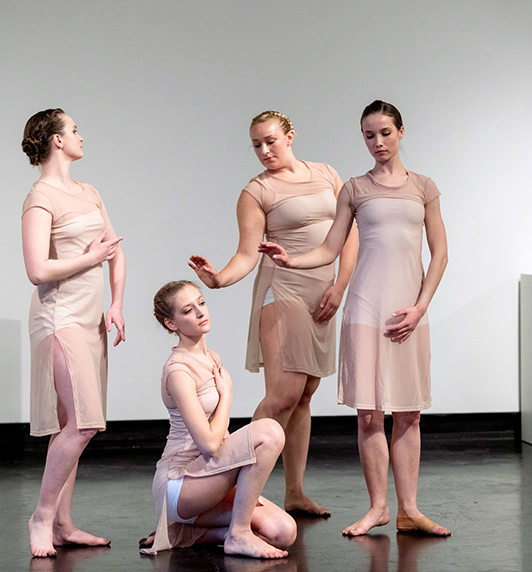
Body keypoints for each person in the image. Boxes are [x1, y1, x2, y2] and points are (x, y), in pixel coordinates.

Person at [259, 100, 450, 537]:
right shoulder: (353, 188)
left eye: (385, 133)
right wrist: (289, 260)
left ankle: (410, 510)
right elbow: (329, 249)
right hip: (366, 308)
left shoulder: (424, 187)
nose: (377, 142)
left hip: (409, 311)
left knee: (409, 414)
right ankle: (379, 507)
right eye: (369, 135)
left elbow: (439, 253)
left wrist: (420, 307)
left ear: (401, 132)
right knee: (369, 415)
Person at [189, 111, 358, 517]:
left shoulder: (326, 174)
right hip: (282, 290)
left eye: (270, 141)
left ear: (290, 136)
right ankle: (237, 492)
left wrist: (340, 287)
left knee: (304, 396)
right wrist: (218, 279)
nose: (264, 151)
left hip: (323, 292)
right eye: (256, 145)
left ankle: (295, 492)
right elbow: (248, 254)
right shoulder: (256, 192)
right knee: (282, 396)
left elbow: (348, 235)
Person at [20, 108, 126, 557]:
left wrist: (116, 302)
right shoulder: (40, 197)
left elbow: (115, 250)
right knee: (83, 423)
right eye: (75, 129)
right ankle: (42, 516)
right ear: (57, 141)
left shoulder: (89, 191)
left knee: (73, 423)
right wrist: (91, 258)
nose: (82, 135)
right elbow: (37, 269)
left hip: (90, 318)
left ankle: (63, 523)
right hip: (59, 316)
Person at [142, 280, 296, 558]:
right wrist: (227, 395)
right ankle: (238, 534)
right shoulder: (179, 371)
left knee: (283, 532)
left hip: (212, 475)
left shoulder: (212, 357)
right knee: (270, 431)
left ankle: (184, 534)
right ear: (171, 324)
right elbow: (210, 446)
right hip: (181, 484)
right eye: (188, 310)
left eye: (201, 303)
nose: (201, 312)